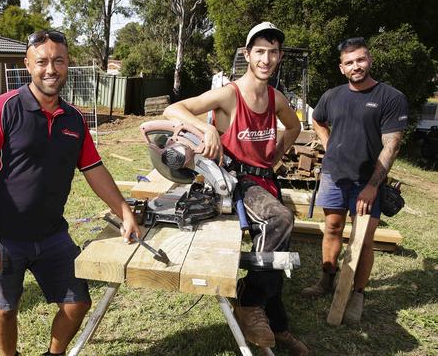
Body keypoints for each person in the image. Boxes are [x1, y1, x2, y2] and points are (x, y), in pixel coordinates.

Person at [0, 30, 141, 356]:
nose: (50, 69)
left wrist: (125, 212)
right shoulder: (1, 110)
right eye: (42, 61)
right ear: (28, 64)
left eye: (58, 61)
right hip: (4, 236)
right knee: (5, 308)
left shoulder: (73, 118)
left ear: (67, 64)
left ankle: (54, 353)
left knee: (78, 302)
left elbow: (95, 170)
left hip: (52, 235)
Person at [163, 22, 308, 355]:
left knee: (275, 252)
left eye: (273, 52)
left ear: (280, 56)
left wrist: (278, 152)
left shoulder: (275, 97)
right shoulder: (229, 94)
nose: (266, 59)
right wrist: (206, 129)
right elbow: (175, 108)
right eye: (259, 51)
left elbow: (295, 125)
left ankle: (278, 324)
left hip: (264, 181)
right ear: (247, 54)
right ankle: (249, 300)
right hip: (235, 181)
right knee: (279, 221)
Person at [301, 37, 408, 323]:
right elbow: (318, 120)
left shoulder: (390, 97)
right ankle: (327, 279)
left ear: (369, 60)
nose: (356, 66)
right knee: (332, 229)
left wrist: (373, 187)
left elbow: (392, 145)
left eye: (360, 59)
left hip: (367, 181)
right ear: (341, 67)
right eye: (349, 62)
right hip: (334, 175)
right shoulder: (332, 96)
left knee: (363, 239)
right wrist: (328, 144)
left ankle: (357, 294)